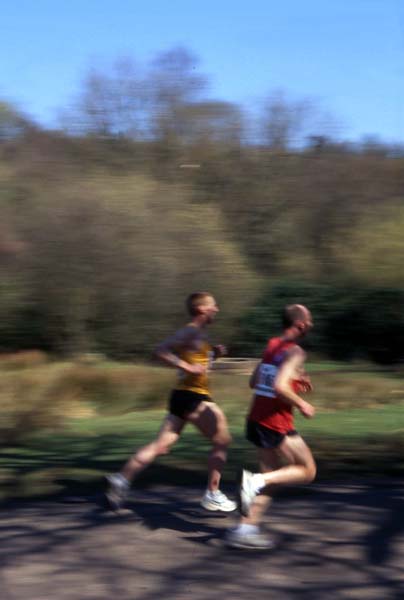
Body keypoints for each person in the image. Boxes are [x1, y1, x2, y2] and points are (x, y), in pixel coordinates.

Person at [105, 292, 236, 512]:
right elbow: (160, 350)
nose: (217, 309)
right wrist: (186, 367)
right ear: (202, 309)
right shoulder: (190, 331)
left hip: (182, 396)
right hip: (193, 396)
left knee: (161, 446)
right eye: (214, 306)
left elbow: (197, 359)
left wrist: (214, 353)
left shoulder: (199, 335)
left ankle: (121, 480)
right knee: (222, 440)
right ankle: (213, 493)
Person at [225, 304, 317, 549]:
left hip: (256, 418)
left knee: (272, 479)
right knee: (307, 470)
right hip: (275, 422)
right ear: (300, 325)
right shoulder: (295, 351)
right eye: (310, 321)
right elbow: (278, 386)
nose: (312, 324)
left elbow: (255, 381)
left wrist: (297, 380)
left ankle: (244, 530)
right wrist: (302, 403)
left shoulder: (273, 344)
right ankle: (252, 482)